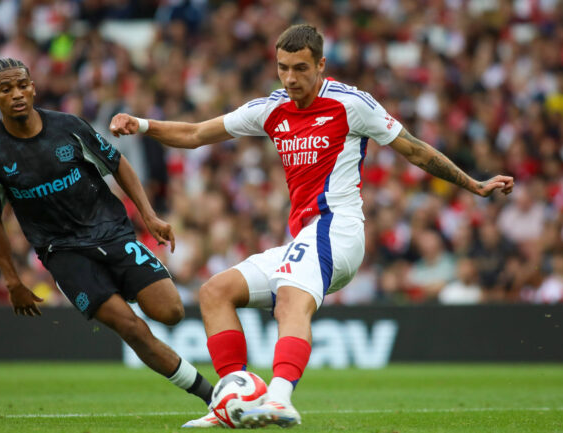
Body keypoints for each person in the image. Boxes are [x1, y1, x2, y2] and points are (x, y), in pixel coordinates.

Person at [109, 24, 514, 428]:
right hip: (306, 236)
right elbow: (196, 133)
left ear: (321, 64)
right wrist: (143, 125)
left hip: (339, 228)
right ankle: (231, 398)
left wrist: (473, 184)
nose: (290, 78)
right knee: (216, 291)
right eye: (283, 68)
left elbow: (414, 149)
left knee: (289, 300)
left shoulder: (350, 103)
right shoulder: (272, 108)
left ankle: (280, 397)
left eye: (301, 68)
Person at [0, 58, 213, 408]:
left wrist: (149, 215)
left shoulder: (68, 127)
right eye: (6, 89)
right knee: (131, 328)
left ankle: (120, 285)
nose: (17, 94)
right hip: (63, 253)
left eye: (22, 85)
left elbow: (117, 163)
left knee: (171, 311)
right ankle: (212, 395)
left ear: (33, 87)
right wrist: (12, 280)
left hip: (112, 233)